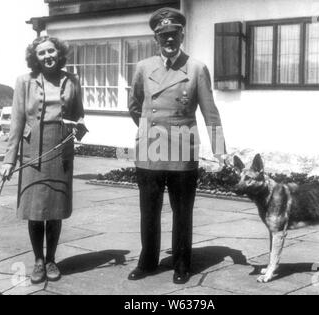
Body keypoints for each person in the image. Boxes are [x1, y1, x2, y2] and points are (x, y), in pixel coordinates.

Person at [128, 7, 226, 284]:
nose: (169, 40)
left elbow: (210, 113)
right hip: (150, 147)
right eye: (163, 35)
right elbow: (134, 106)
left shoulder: (196, 68)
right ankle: (147, 262)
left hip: (182, 146)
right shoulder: (143, 68)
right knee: (149, 210)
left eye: (173, 34)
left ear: (182, 34)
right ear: (155, 38)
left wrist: (219, 151)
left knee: (182, 211)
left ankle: (182, 263)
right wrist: (150, 130)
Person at [0, 36, 86, 284]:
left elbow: (79, 114)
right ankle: (38, 261)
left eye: (51, 51)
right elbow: (16, 123)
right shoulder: (24, 82)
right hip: (32, 150)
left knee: (55, 209)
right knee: (35, 210)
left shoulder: (72, 81)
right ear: (34, 58)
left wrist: (79, 126)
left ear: (59, 53)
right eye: (41, 53)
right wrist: (9, 160)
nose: (47, 56)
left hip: (60, 150)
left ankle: (51, 259)